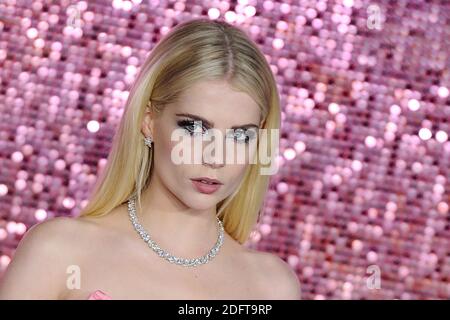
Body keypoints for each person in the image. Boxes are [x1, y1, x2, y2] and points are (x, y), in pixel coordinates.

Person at [0, 18, 301, 300]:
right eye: (194, 128)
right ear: (148, 121)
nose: (215, 157)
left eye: (240, 136)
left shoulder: (271, 287)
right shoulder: (59, 252)